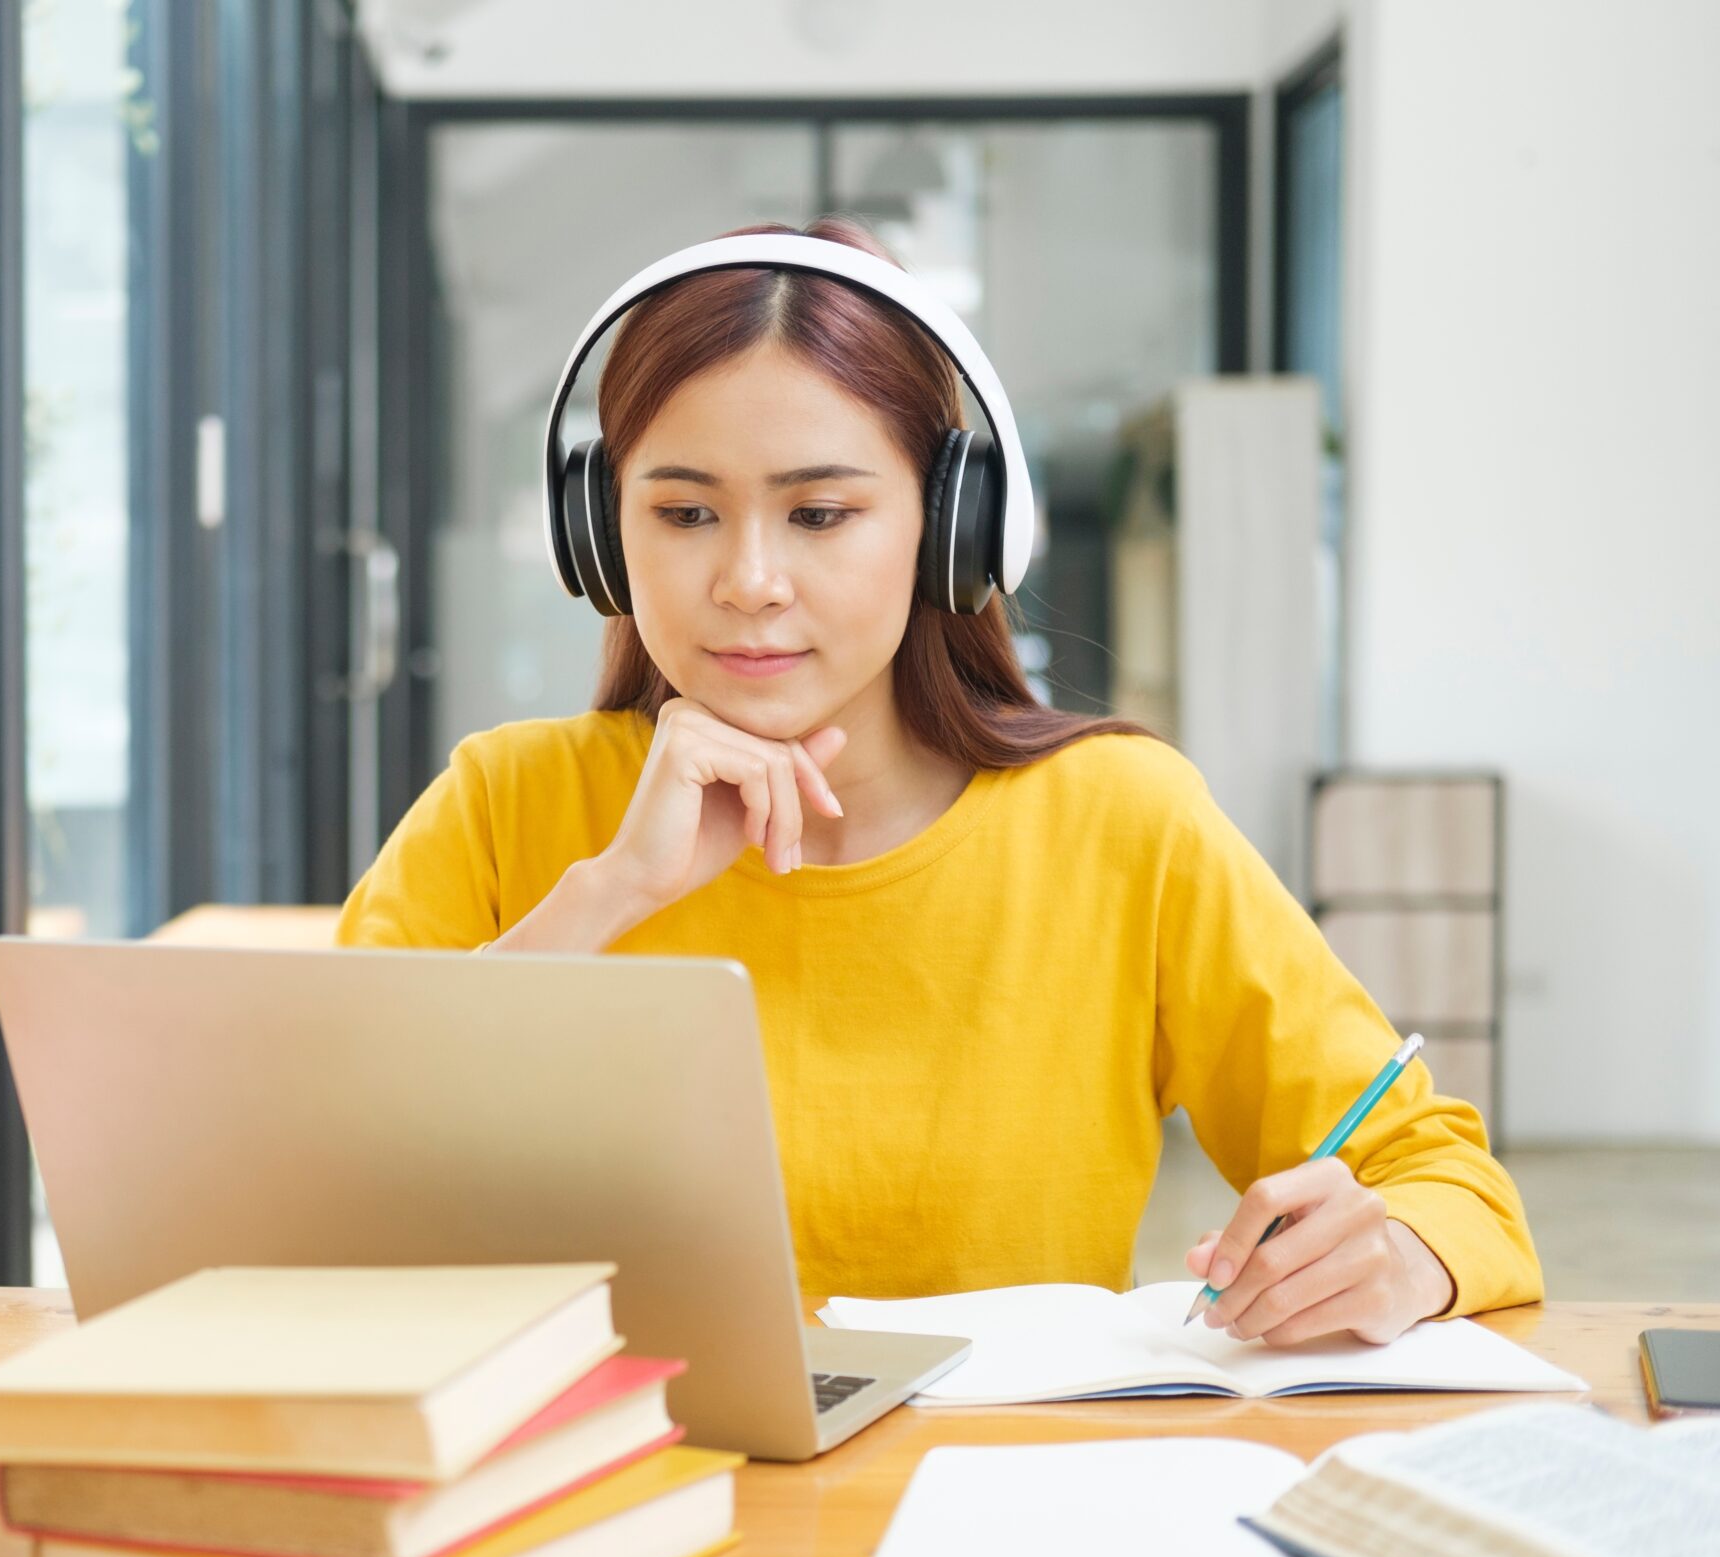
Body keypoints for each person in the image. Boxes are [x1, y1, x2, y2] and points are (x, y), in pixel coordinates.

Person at [337, 217, 1541, 1346]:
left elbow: (1446, 1182)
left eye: (818, 512)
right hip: (597, 1513)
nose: (748, 579)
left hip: (993, 1518)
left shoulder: (1120, 822)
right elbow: (310, 1193)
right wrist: (605, 896)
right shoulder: (505, 807)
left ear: (951, 525)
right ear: (600, 536)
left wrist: (1395, 1257)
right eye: (685, 511)